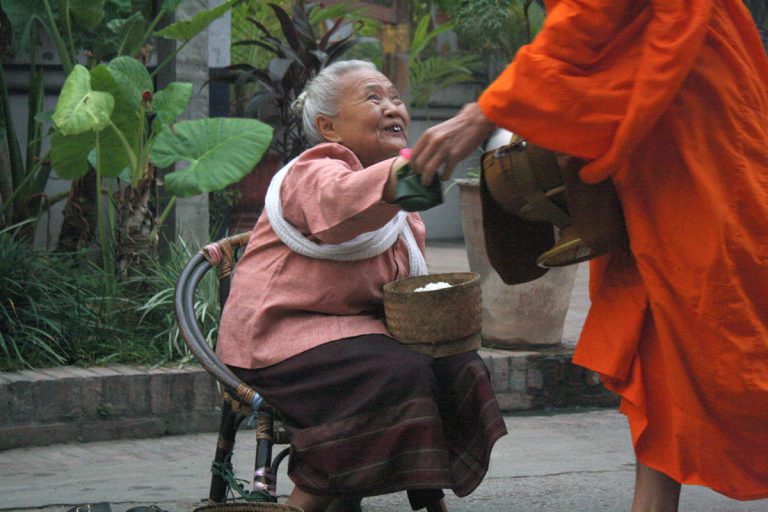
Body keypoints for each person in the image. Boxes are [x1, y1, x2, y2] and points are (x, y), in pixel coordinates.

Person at [410, 1, 768, 510]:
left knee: (718, 320)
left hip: (690, 106)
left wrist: (485, 110)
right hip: (650, 124)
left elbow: (590, 14)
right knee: (654, 322)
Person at [216, 60, 507, 512]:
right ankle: (306, 502)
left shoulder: (399, 211)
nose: (393, 107)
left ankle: (396, 487)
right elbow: (339, 204)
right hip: (275, 344)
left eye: (395, 97)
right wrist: (420, 168)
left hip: (354, 340)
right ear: (328, 126)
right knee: (395, 372)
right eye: (373, 97)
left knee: (459, 365)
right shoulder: (312, 172)